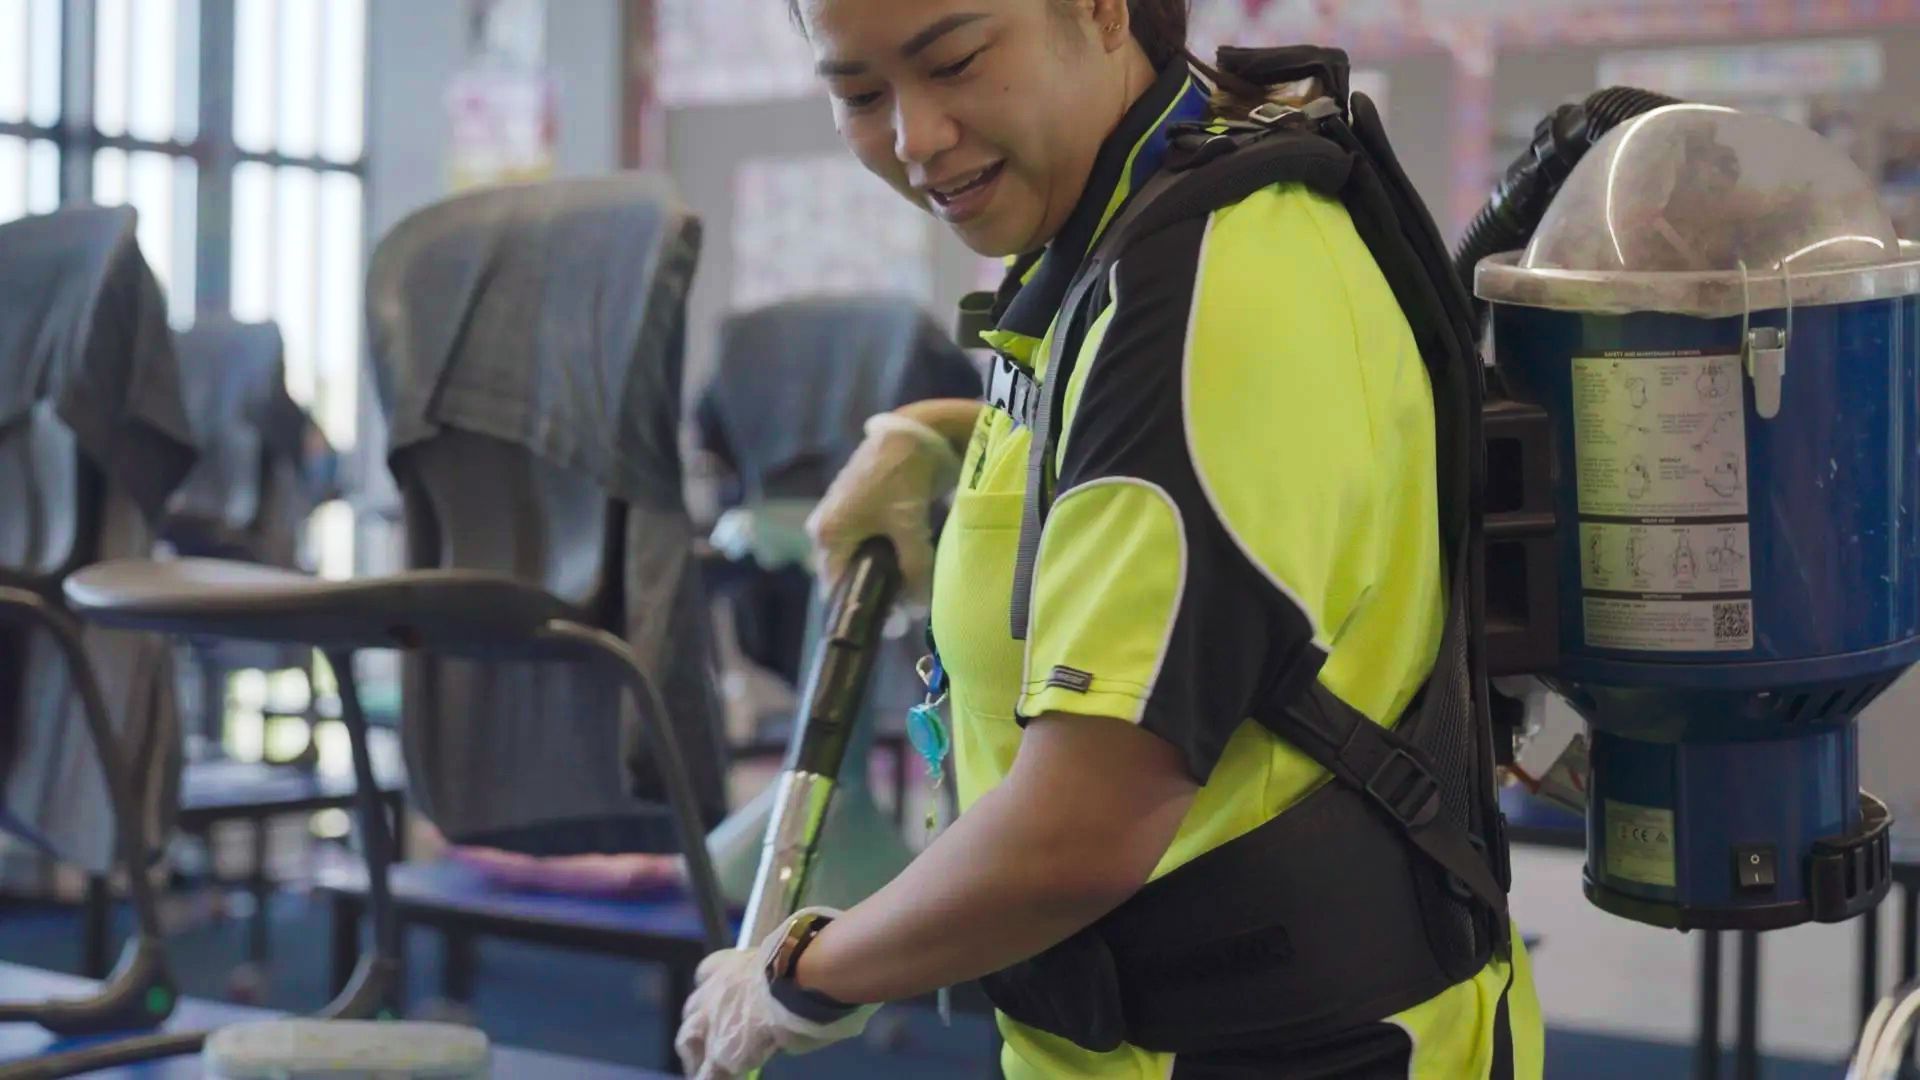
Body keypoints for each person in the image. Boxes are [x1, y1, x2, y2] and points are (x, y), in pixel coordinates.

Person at [674, 1, 1546, 1077]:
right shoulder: (1136, 215)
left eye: (954, 61)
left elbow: (1080, 833)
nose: (914, 136)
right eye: (859, 94)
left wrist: (796, 977)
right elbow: (1176, 480)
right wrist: (939, 437)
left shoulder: (1201, 290)